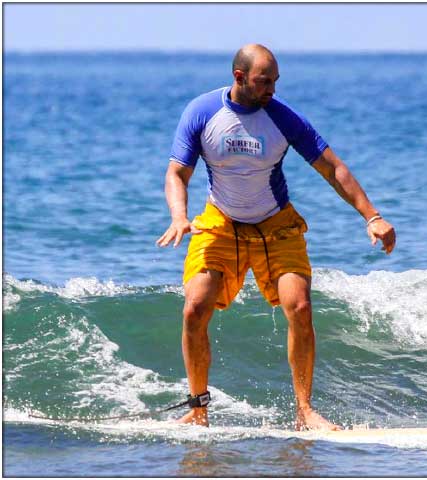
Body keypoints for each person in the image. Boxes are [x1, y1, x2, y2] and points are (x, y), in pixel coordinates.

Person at [156, 44, 396, 430]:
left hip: (276, 224)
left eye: (275, 81)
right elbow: (176, 173)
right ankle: (198, 409)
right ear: (239, 77)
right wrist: (179, 216)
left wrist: (373, 216)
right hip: (220, 221)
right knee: (194, 308)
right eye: (263, 81)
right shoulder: (202, 112)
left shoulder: (284, 118)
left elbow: (333, 169)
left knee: (299, 307)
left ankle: (305, 411)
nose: (271, 89)